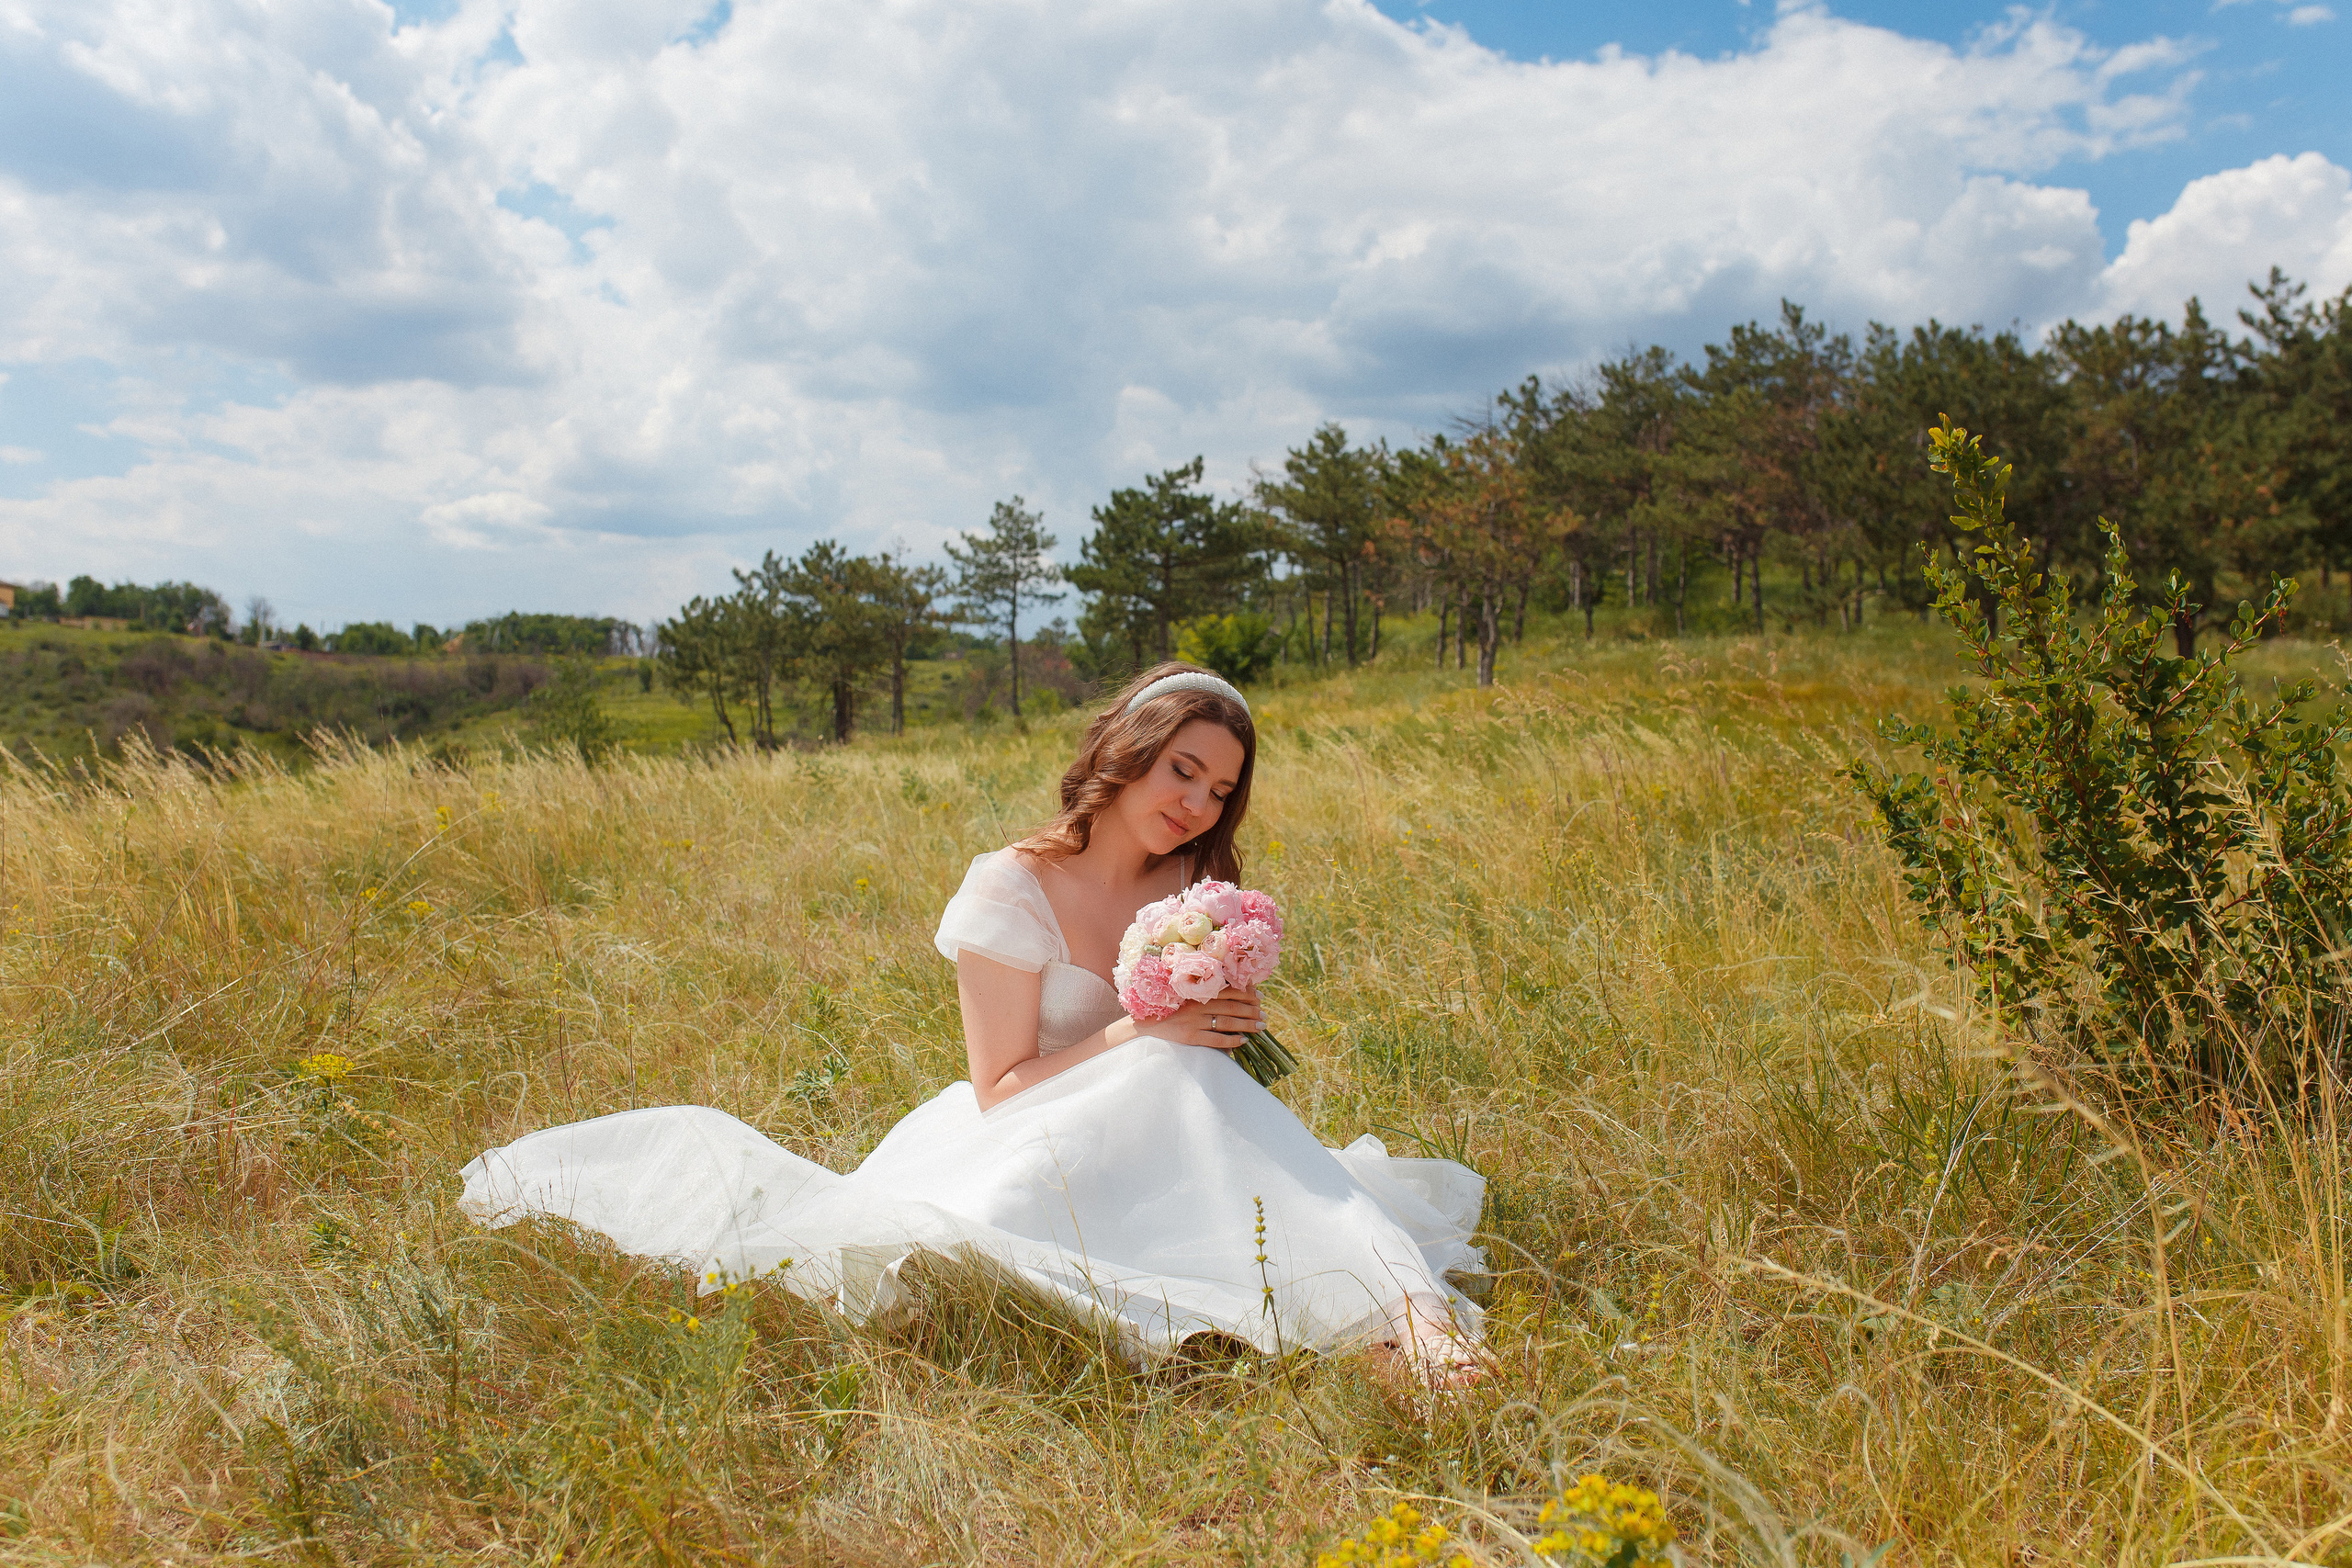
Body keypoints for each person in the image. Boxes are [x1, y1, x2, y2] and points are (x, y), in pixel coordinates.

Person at [460, 662, 1487, 1382]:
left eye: (1219, 791)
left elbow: (1208, 1053)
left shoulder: (1192, 882)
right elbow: (999, 1089)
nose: (1198, 806)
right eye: (1183, 770)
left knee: (1195, 1081)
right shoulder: (1010, 885)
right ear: (1129, 750)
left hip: (1175, 1126)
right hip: (1039, 1137)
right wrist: (1147, 1031)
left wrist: (1220, 1014)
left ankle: (1410, 1320)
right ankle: (1378, 1313)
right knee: (1168, 1072)